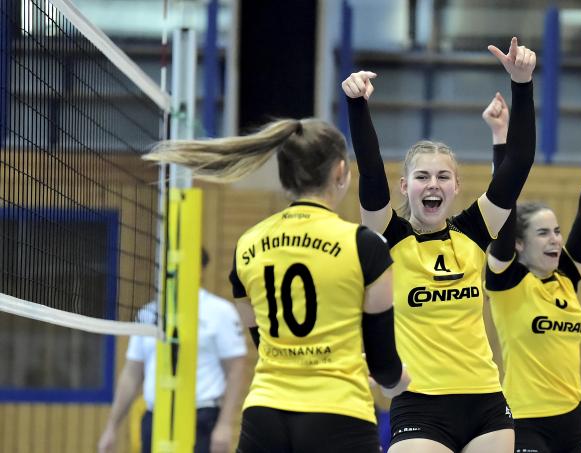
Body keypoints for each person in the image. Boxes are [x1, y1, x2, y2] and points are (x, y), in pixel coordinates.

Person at [141, 118, 410, 453]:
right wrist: (400, 381)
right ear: (341, 172)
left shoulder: (247, 245)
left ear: (285, 176)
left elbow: (261, 335)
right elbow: (385, 365)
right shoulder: (364, 246)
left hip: (265, 417)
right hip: (339, 415)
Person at [342, 37, 536, 453]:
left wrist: (523, 85)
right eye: (422, 177)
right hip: (420, 405)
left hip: (485, 401)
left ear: (456, 187)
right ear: (405, 186)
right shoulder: (386, 236)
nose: (433, 185)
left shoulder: (474, 229)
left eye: (443, 177)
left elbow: (517, 164)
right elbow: (371, 176)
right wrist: (357, 106)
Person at [483, 91, 581, 453]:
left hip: (571, 420)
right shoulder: (507, 281)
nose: (556, 240)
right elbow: (504, 203)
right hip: (525, 421)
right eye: (543, 233)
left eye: (557, 231)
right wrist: (500, 136)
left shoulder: (566, 276)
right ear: (518, 244)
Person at [98, 249, 249, 453]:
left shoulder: (219, 312)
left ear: (199, 270)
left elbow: (236, 370)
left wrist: (224, 425)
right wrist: (111, 427)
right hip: (156, 417)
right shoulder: (149, 313)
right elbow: (132, 374)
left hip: (202, 417)